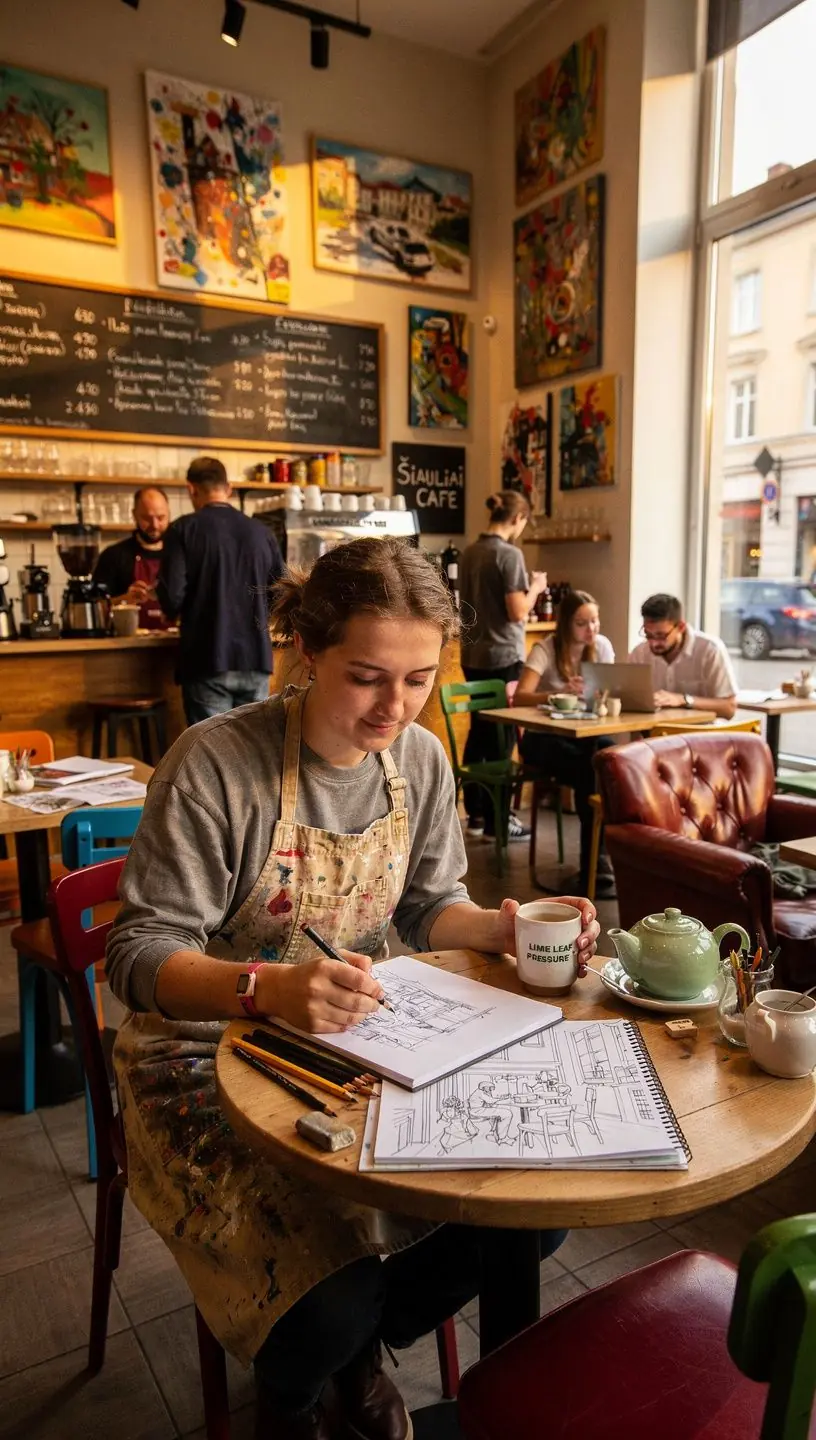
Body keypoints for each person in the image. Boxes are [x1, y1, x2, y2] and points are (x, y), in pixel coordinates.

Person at [106, 537, 600, 1440]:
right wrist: (267, 990)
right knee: (326, 1301)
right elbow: (139, 954)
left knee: (532, 1222)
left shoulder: (418, 759)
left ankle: (353, 1353)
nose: (396, 708)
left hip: (357, 1036)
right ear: (303, 647)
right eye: (368, 677)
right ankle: (300, 1388)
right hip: (200, 1048)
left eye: (418, 680)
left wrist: (493, 926)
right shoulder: (216, 762)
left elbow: (427, 906)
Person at [157, 455, 284, 725]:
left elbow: (171, 598)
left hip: (207, 659)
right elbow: (281, 594)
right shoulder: (262, 533)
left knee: (211, 755)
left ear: (191, 488)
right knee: (254, 751)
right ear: (228, 488)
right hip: (256, 659)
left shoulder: (182, 530)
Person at [458, 490, 548, 840]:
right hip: (504, 656)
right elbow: (518, 610)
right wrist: (536, 587)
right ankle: (499, 820)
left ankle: (477, 813)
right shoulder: (509, 554)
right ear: (517, 518)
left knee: (479, 733)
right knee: (501, 737)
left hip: (473, 654)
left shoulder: (470, 552)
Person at [513, 589, 616, 894]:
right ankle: (595, 866)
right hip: (541, 739)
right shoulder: (545, 649)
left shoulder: (603, 647)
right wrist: (558, 694)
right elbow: (520, 696)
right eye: (582, 623)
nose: (592, 629)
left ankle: (597, 863)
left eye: (595, 621)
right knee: (592, 771)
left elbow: (610, 690)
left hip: (583, 735)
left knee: (610, 758)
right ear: (566, 625)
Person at [628, 593, 738, 719]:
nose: (653, 643)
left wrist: (684, 700)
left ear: (680, 627)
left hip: (700, 733)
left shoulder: (709, 650)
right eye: (648, 635)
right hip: (657, 733)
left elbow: (729, 708)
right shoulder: (640, 653)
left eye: (661, 635)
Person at [92, 485, 172, 628]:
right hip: (128, 647)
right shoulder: (114, 555)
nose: (155, 525)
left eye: (161, 518)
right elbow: (95, 609)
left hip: (175, 644)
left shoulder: (182, 553)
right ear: (134, 515)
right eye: (147, 518)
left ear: (169, 514)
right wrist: (125, 600)